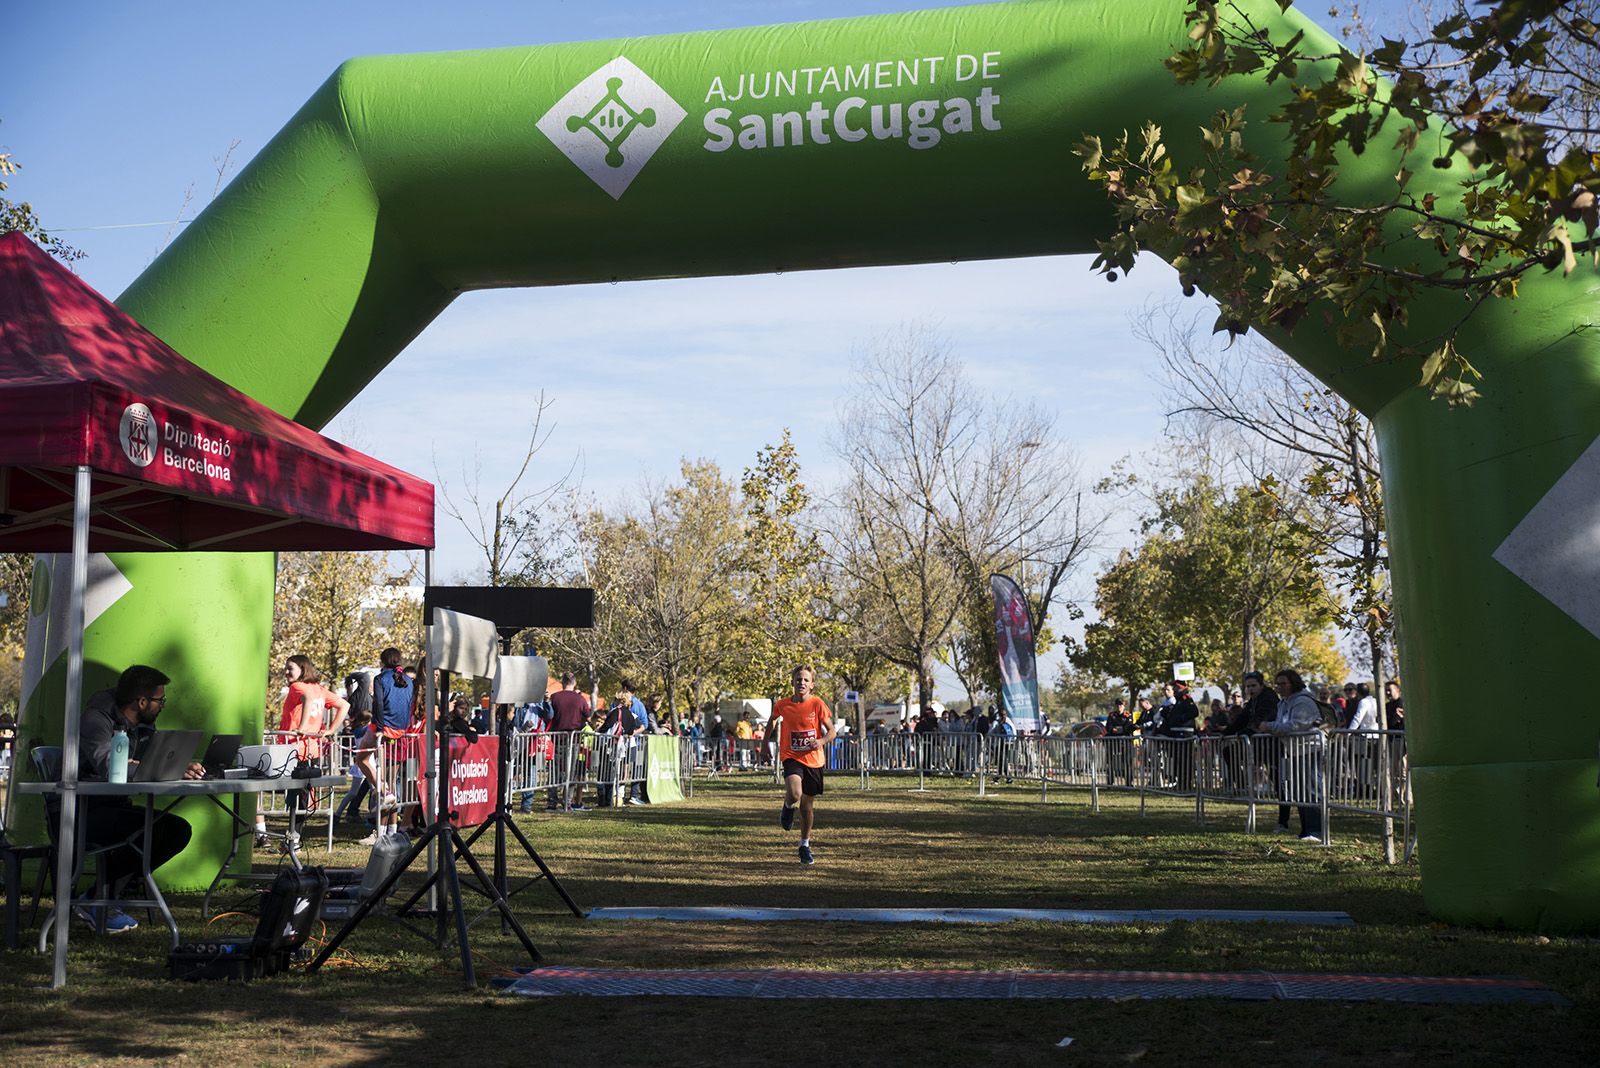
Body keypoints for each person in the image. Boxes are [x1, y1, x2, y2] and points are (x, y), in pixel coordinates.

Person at [76, 665, 202, 933]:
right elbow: (107, 765)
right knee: (150, 832)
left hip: (114, 805)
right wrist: (157, 766)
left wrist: (180, 764)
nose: (162, 706)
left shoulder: (143, 724)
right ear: (142, 701)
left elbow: (150, 759)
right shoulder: (96, 719)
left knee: (177, 830)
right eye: (160, 700)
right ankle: (101, 900)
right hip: (79, 810)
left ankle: (101, 896)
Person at [275, 655, 350, 848]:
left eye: (289, 668)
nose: (286, 672)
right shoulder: (320, 689)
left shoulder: (298, 687)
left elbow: (308, 698)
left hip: (295, 748)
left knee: (295, 797)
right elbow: (344, 705)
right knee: (302, 797)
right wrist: (331, 730)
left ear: (302, 669)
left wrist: (302, 727)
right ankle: (294, 838)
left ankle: (293, 839)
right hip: (311, 750)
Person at [771, 665, 835, 866]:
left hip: (814, 759)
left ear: (812, 684)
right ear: (792, 682)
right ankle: (788, 805)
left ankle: (804, 845)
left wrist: (821, 741)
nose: (802, 683)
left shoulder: (817, 704)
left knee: (807, 807)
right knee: (795, 793)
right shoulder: (782, 705)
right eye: (798, 679)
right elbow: (772, 720)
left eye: (806, 680)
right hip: (791, 756)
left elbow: (832, 731)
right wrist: (765, 743)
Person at [1261, 669, 1325, 842]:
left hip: (1309, 749)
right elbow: (1284, 724)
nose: (1280, 687)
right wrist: (1275, 727)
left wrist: (1270, 727)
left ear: (1293, 683)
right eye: (1278, 684)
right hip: (1294, 750)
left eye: (1284, 683)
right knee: (1300, 791)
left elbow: (1296, 725)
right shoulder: (1283, 703)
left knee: (1312, 790)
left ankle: (1316, 831)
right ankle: (1306, 830)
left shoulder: (1303, 700)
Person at [366, 647, 412, 842]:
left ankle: (382, 831)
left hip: (384, 730)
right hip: (402, 731)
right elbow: (409, 706)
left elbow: (378, 705)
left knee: (361, 759)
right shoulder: (409, 680)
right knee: (391, 783)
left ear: (383, 661)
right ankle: (391, 830)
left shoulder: (380, 679)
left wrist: (380, 729)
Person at [544, 672, 591, 810]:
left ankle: (552, 802)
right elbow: (588, 715)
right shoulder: (580, 699)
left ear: (562, 683)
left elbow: (549, 715)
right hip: (573, 739)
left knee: (554, 771)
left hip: (557, 738)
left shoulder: (554, 697)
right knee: (570, 772)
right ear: (574, 683)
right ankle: (567, 802)